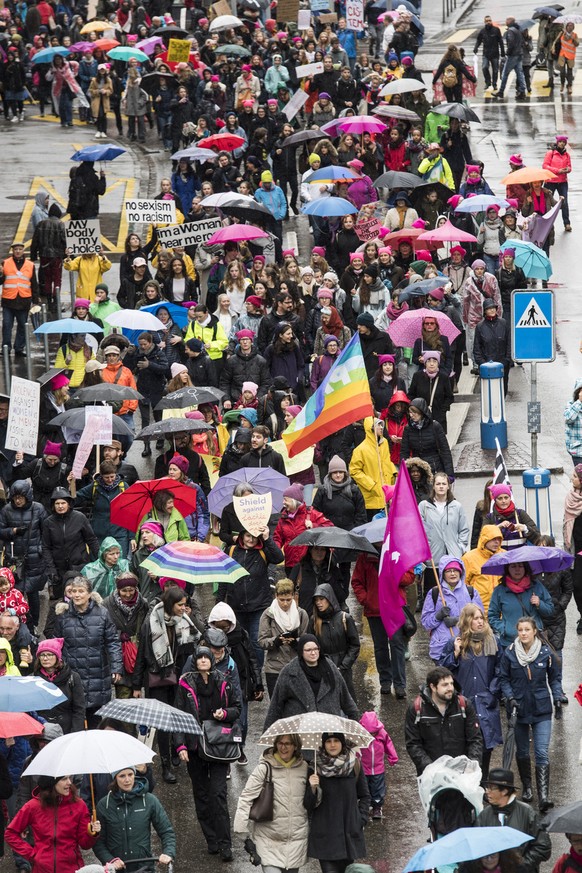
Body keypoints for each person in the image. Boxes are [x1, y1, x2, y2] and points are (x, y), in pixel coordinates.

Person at [175, 646, 242, 862]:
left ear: (212, 661)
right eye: (200, 657)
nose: (203, 660)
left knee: (218, 795)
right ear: (195, 661)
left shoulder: (223, 680)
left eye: (207, 657)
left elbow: (237, 708)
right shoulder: (185, 683)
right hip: (195, 747)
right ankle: (211, 839)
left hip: (217, 746)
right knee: (201, 796)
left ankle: (225, 844)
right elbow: (178, 716)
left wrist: (225, 713)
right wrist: (180, 746)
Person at [132, 586, 200, 783]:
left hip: (179, 676)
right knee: (163, 722)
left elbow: (196, 639)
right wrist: (137, 685)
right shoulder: (151, 622)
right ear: (171, 604)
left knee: (177, 715)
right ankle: (166, 764)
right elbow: (142, 655)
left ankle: (175, 747)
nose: (183, 608)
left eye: (185, 604)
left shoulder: (184, 620)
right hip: (158, 677)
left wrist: (189, 616)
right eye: (180, 605)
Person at [500, 616, 561, 812]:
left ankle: (544, 796)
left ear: (535, 631)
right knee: (523, 752)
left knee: (542, 752)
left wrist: (557, 697)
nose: (524, 633)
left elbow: (554, 679)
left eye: (527, 629)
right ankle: (527, 789)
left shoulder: (546, 653)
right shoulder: (509, 654)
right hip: (518, 710)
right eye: (520, 630)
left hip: (542, 709)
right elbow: (503, 679)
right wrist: (509, 697)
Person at [440, 604, 502, 782]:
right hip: (463, 705)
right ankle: (467, 785)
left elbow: (500, 670)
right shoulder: (455, 643)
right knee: (464, 746)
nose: (480, 621)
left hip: (485, 703)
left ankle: (483, 784)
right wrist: (455, 654)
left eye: (481, 618)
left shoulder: (493, 642)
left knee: (485, 747)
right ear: (467, 621)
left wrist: (492, 693)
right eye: (475, 618)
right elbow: (442, 673)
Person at [234, 733, 311, 873]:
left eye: (287, 744)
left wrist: (315, 789)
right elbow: (246, 798)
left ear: (295, 746)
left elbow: (312, 803)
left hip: (296, 843)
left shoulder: (305, 768)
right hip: (268, 842)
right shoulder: (264, 768)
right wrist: (242, 833)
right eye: (280, 743)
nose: (283, 747)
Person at [51, 576, 122, 727]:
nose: (76, 595)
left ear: (89, 594)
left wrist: (116, 667)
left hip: (97, 673)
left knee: (95, 720)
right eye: (74, 591)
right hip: (72, 673)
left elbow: (113, 641)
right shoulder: (63, 616)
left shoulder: (102, 614)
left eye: (81, 591)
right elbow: (56, 644)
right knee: (74, 721)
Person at [217, 527, 284, 668]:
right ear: (242, 535)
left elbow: (279, 557)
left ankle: (257, 673)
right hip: (236, 605)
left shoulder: (263, 551)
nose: (251, 540)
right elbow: (223, 578)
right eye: (248, 536)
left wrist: (267, 539)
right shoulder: (231, 551)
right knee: (238, 640)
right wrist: (219, 602)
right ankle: (242, 672)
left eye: (254, 536)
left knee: (255, 641)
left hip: (258, 605)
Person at [5, 775, 101, 873]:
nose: (69, 782)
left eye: (69, 778)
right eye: (64, 779)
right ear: (51, 782)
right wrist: (32, 854)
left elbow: (85, 845)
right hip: (42, 869)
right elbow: (10, 834)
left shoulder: (79, 805)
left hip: (72, 869)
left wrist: (92, 833)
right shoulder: (33, 806)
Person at [263, 634, 359, 728]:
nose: (313, 653)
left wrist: (355, 726)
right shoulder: (289, 671)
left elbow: (346, 700)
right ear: (301, 651)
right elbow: (276, 706)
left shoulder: (330, 668)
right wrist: (268, 734)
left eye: (315, 649)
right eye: (308, 650)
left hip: (329, 730)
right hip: (299, 730)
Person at [306, 732, 369, 873]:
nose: (332, 745)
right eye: (328, 741)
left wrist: (360, 819)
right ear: (323, 744)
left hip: (348, 834)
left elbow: (365, 795)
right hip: (326, 836)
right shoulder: (315, 768)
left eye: (336, 741)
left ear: (342, 743)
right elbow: (308, 805)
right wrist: (312, 788)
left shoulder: (354, 765)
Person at [404, 666, 483, 776]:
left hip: (461, 774)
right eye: (445, 685)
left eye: (451, 683)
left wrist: (472, 765)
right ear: (433, 687)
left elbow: (475, 739)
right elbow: (413, 744)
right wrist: (429, 768)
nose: (450, 688)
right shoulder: (417, 709)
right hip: (432, 775)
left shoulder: (464, 705)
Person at [94, 766, 175, 868]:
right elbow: (98, 842)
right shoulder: (103, 805)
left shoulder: (150, 800)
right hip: (115, 869)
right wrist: (110, 860)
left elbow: (166, 831)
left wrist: (168, 852)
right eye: (122, 776)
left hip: (144, 868)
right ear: (115, 778)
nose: (127, 780)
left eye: (130, 774)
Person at [476, 768, 552, 870]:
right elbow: (477, 846)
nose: (487, 792)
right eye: (487, 787)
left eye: (491, 788)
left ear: (504, 791)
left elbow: (543, 847)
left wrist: (521, 866)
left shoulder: (527, 813)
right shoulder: (484, 815)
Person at [0, 480, 47, 630]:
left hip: (34, 556)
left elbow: (46, 530)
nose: (18, 500)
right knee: (15, 592)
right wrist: (12, 531)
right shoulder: (7, 510)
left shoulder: (38, 509)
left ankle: (34, 625)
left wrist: (40, 548)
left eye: (21, 497)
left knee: (33, 593)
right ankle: (16, 624)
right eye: (15, 497)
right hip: (14, 557)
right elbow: (1, 531)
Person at [421, 556, 485, 662]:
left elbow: (480, 620)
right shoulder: (434, 593)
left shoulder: (471, 592)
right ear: (443, 573)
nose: (452, 574)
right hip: (441, 649)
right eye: (448, 571)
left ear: (461, 572)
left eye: (455, 570)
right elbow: (425, 623)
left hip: (467, 646)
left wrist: (458, 620)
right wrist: (438, 616)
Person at [258, 578, 310, 697]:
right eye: (282, 600)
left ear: (293, 596)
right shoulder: (268, 615)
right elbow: (261, 641)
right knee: (278, 708)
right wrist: (276, 641)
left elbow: (306, 641)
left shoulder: (301, 614)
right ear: (276, 596)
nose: (285, 603)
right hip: (274, 669)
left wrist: (296, 643)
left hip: (297, 667)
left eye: (288, 600)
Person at [309, 583, 360, 698]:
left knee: (345, 702)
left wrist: (344, 666)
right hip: (322, 668)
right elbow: (310, 644)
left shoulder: (345, 618)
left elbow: (354, 645)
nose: (318, 603)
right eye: (316, 600)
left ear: (329, 599)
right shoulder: (314, 620)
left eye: (322, 599)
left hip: (343, 668)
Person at [488, 560, 554, 649]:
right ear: (507, 569)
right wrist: (505, 629)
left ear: (525, 568)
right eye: (513, 566)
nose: (517, 569)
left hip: (535, 641)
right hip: (510, 643)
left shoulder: (536, 586)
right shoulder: (500, 590)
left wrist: (539, 604)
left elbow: (550, 610)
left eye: (520, 566)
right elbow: (492, 616)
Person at [273, 484, 333, 573]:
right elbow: (277, 538)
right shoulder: (283, 518)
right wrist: (275, 550)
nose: (283, 502)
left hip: (310, 564)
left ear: (294, 501)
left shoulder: (312, 514)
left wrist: (314, 526)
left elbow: (330, 528)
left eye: (286, 499)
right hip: (290, 564)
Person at [32, 637, 85, 734]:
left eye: (49, 654)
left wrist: (75, 733)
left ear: (57, 657)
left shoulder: (72, 677)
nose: (45, 658)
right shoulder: (33, 679)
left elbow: (79, 709)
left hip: (66, 730)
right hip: (41, 730)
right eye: (42, 655)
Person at [419, 473, 470, 574]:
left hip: (453, 557)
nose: (441, 486)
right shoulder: (424, 506)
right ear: (433, 486)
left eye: (444, 483)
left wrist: (460, 547)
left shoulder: (457, 506)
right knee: (434, 589)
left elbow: (464, 529)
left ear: (448, 486)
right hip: (433, 558)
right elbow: (418, 531)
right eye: (438, 484)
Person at [349, 418, 396, 520]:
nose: (381, 427)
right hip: (372, 496)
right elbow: (354, 471)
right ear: (370, 428)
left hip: (387, 493)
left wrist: (393, 472)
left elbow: (386, 461)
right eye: (378, 425)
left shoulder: (385, 443)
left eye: (381, 425)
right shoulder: (360, 450)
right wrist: (371, 484)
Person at [0, 242, 39, 357]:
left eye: (20, 249)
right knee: (7, 325)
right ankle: (6, 348)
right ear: (12, 251)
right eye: (15, 249)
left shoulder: (30, 265)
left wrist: (35, 301)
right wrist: (1, 274)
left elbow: (34, 284)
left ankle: (19, 348)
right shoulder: (5, 263)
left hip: (23, 301)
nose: (17, 251)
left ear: (23, 251)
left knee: (22, 325)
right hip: (8, 300)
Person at [400, 398, 454, 479]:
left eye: (414, 412)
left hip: (435, 466)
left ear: (421, 412)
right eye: (410, 412)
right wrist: (403, 472)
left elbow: (445, 450)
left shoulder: (435, 426)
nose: (411, 415)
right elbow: (404, 452)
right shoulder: (408, 429)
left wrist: (449, 473)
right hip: (417, 469)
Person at [312, 455, 367, 532]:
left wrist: (355, 531)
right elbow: (315, 512)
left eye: (340, 472)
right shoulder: (323, 490)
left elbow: (361, 515)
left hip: (351, 533)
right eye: (335, 472)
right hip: (328, 533)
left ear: (345, 473)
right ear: (330, 474)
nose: (338, 475)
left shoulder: (354, 490)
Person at [483, 484, 540, 550]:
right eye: (500, 498)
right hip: (498, 558)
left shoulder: (520, 514)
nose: (503, 501)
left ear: (510, 498)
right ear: (495, 500)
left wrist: (525, 528)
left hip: (520, 558)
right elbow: (483, 539)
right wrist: (497, 527)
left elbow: (538, 538)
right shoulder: (490, 517)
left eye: (506, 497)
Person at [474, 300, 512, 397]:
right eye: (489, 308)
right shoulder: (480, 327)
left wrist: (506, 360)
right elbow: (477, 348)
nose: (491, 310)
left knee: (502, 391)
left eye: (493, 308)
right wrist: (483, 363)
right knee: (489, 395)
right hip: (487, 365)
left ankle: (500, 411)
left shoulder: (503, 323)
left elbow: (509, 343)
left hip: (502, 364)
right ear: (484, 311)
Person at [462, 524, 505, 613]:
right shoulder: (469, 558)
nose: (497, 542)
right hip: (478, 610)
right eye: (493, 539)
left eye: (499, 539)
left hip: (502, 610)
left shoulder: (505, 556)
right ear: (485, 539)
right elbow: (462, 585)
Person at [409, 352, 454, 433]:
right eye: (429, 361)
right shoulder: (417, 376)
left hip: (438, 418)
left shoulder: (443, 377)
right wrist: (415, 410)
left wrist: (442, 411)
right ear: (425, 363)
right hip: (420, 417)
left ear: (438, 363)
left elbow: (450, 397)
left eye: (434, 361)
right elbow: (411, 394)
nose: (432, 364)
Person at [563, 464, 582, 633]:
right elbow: (566, 525)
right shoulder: (570, 497)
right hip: (575, 551)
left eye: (575, 476)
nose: (571, 478)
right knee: (576, 585)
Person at [543, 135, 572, 231]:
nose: (562, 143)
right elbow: (545, 166)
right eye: (560, 142)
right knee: (546, 202)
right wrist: (558, 170)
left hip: (562, 182)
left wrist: (567, 169)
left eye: (564, 142)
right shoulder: (550, 153)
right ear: (557, 142)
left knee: (564, 203)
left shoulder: (567, 155)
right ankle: (545, 222)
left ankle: (567, 223)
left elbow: (570, 167)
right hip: (550, 181)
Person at [494, 18, 527, 100]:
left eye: (506, 20)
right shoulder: (517, 30)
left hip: (513, 55)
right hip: (519, 54)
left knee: (505, 73)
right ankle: (522, 91)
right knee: (519, 73)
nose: (505, 22)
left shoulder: (511, 31)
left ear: (509, 22)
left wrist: (508, 52)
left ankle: (501, 92)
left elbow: (511, 43)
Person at [473, 15, 505, 92]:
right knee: (484, 67)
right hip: (486, 54)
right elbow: (479, 40)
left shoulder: (496, 30)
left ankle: (494, 84)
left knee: (495, 70)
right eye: (487, 21)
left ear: (491, 21)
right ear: (484, 22)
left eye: (489, 20)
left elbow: (500, 41)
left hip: (495, 54)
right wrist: (476, 47)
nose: (488, 22)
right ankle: (487, 82)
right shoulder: (482, 31)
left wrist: (503, 52)